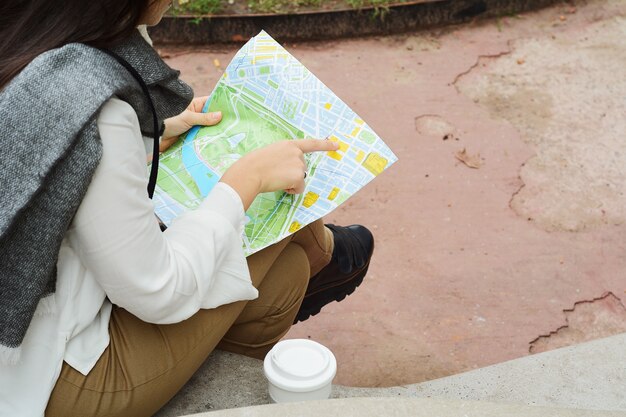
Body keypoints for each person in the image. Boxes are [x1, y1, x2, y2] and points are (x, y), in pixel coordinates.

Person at [0, 1, 374, 416]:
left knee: (285, 279)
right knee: (276, 246)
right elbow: (157, 289)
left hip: (24, 337)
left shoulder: (24, 48)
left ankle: (323, 260)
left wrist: (148, 138)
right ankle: (328, 257)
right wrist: (244, 180)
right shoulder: (93, 104)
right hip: (48, 382)